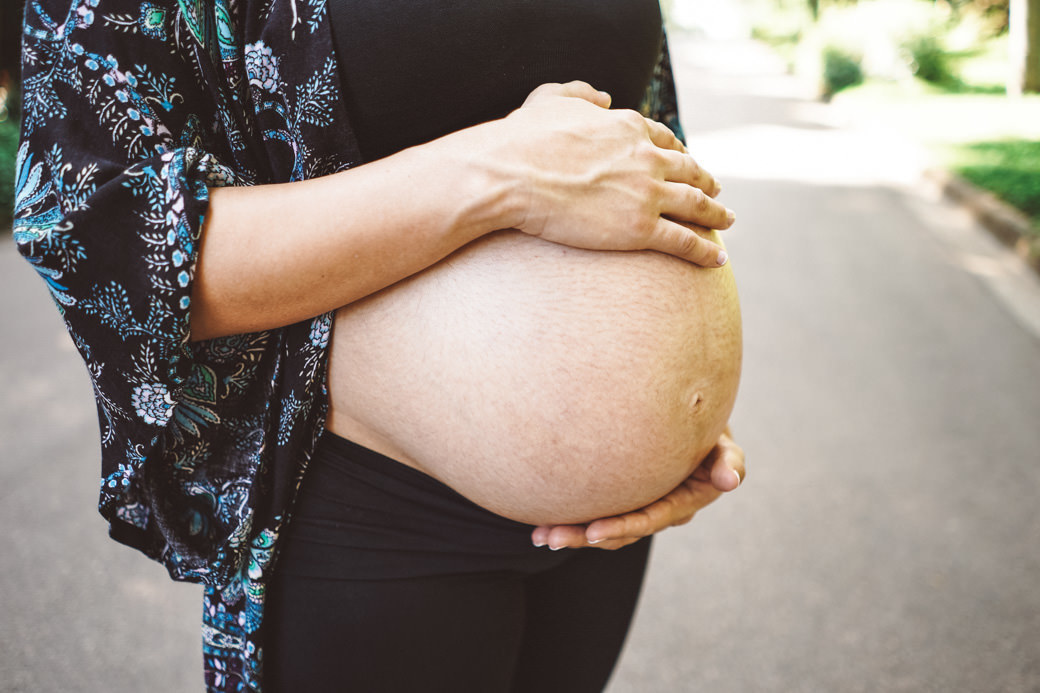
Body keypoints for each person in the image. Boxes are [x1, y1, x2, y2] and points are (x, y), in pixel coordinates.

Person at [14, 0, 746, 691]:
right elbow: (95, 237)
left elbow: (634, 157)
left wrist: (674, 403)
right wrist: (499, 173)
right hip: (369, 504)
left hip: (603, 535)